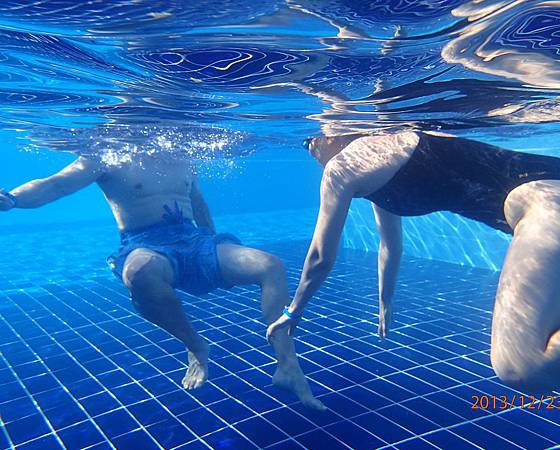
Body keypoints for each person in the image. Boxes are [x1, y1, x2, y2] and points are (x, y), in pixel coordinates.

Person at [267, 130, 560, 393]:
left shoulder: (344, 166)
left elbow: (321, 255)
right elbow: (389, 245)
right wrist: (385, 299)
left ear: (336, 134)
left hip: (547, 196)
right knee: (554, 324)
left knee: (520, 364)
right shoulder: (373, 158)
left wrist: (291, 312)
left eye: (310, 141)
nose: (310, 148)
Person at [0, 151, 324, 410]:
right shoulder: (106, 152)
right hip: (145, 243)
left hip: (195, 242)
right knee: (139, 273)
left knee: (270, 265)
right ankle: (195, 345)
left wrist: (213, 247)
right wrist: (13, 199)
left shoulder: (180, 149)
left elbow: (196, 201)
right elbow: (55, 184)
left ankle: (287, 365)